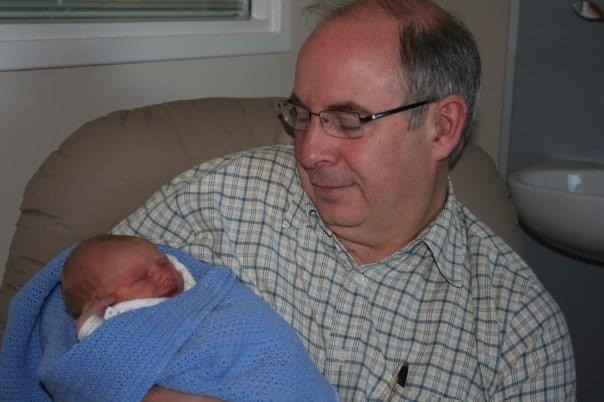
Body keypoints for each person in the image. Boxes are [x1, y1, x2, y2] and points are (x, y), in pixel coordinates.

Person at [113, 0, 576, 400]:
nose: (310, 151)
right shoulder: (216, 202)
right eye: (301, 114)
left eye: (349, 120)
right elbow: (68, 312)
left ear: (442, 128)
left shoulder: (520, 335)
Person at [0, 234, 339, 402]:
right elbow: (91, 369)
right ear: (106, 302)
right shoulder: (110, 324)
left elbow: (246, 328)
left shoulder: (201, 292)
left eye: (161, 262)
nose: (162, 275)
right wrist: (91, 328)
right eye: (141, 278)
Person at [61, 234, 196, 340]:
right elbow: (97, 343)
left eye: (163, 263)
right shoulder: (115, 318)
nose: (165, 274)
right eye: (142, 277)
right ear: (100, 303)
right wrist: (87, 323)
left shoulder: (189, 286)